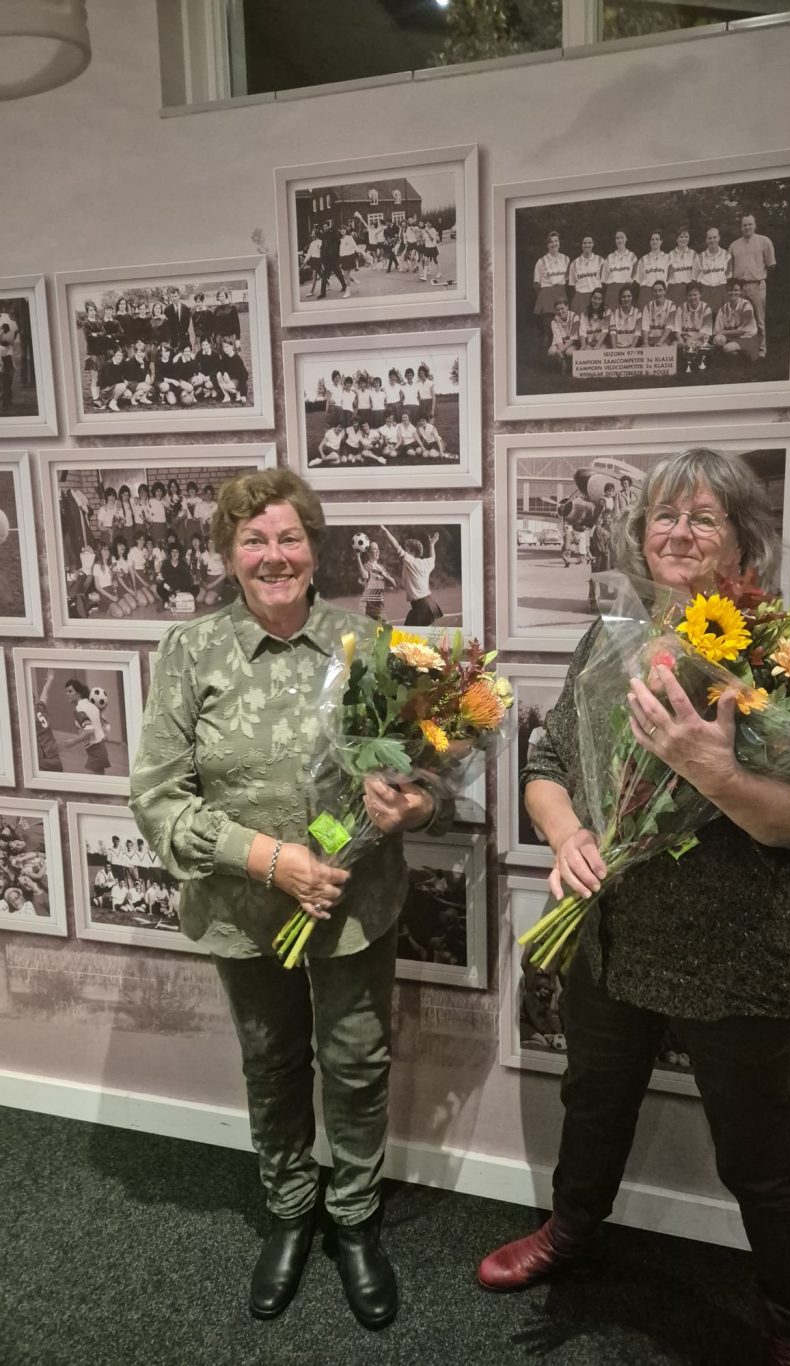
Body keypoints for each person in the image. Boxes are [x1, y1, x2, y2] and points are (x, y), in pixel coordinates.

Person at [476, 447, 790, 1366]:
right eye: (662, 515)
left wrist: (716, 773)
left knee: (757, 1155)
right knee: (591, 1102)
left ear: (742, 542)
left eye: (703, 517)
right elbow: (547, 763)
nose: (678, 533)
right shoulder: (610, 641)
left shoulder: (783, 662)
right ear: (637, 534)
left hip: (737, 951)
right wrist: (568, 834)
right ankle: (572, 1231)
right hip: (613, 934)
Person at [129, 467, 449, 1330]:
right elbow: (156, 798)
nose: (274, 556)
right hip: (245, 908)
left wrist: (413, 805)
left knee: (356, 1062)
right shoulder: (190, 651)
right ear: (228, 554)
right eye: (253, 540)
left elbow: (430, 778)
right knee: (271, 1064)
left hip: (353, 903)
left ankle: (354, 1219)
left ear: (314, 548)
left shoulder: (368, 645)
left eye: (289, 538)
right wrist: (271, 861)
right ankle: (289, 1209)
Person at [728, 214, 776, 360]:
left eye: (750, 224)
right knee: (739, 319)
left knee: (759, 320)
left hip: (757, 285)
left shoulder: (764, 241)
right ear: (741, 227)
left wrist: (761, 280)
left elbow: (771, 265)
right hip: (739, 288)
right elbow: (729, 269)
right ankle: (741, 348)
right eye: (744, 225)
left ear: (755, 225)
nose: (747, 227)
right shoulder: (733, 245)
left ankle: (761, 350)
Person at [378, 524, 440, 627]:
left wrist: (385, 531)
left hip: (421, 606)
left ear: (413, 552)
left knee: (409, 633)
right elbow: (432, 558)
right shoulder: (426, 563)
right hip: (427, 603)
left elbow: (396, 547)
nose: (404, 551)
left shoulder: (411, 561)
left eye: (406, 549)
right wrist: (432, 544)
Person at [62, 679, 110, 775]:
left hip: (96, 753)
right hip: (100, 750)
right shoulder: (91, 705)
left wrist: (73, 742)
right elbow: (103, 726)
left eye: (70, 691)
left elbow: (89, 731)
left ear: (78, 693)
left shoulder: (79, 710)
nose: (67, 694)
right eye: (66, 692)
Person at [713, 281, 760, 361]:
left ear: (740, 291)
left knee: (727, 348)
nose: (733, 293)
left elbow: (742, 331)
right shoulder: (723, 309)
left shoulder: (746, 306)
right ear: (727, 292)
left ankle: (742, 357)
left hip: (747, 338)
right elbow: (717, 331)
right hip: (730, 337)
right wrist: (721, 334)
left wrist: (724, 332)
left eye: (736, 290)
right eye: (730, 290)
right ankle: (731, 357)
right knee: (717, 339)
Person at [356, 540, 396, 620]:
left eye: (378, 549)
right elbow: (364, 575)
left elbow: (393, 583)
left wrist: (381, 573)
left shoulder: (381, 568)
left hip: (379, 609)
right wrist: (358, 557)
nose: (377, 551)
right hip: (370, 610)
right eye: (374, 549)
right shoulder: (366, 567)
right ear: (368, 552)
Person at [696, 226, 732, 315]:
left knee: (721, 319)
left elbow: (729, 277)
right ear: (706, 240)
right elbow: (695, 278)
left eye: (714, 237)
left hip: (721, 292)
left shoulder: (727, 255)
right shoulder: (699, 257)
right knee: (706, 319)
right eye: (710, 238)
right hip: (705, 293)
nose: (712, 240)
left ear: (719, 238)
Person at [567, 235, 604, 315]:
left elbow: (604, 281)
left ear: (593, 244)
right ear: (581, 244)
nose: (587, 245)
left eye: (589, 243)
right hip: (581, 298)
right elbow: (572, 285)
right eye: (584, 243)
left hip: (596, 297)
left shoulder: (600, 260)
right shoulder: (574, 263)